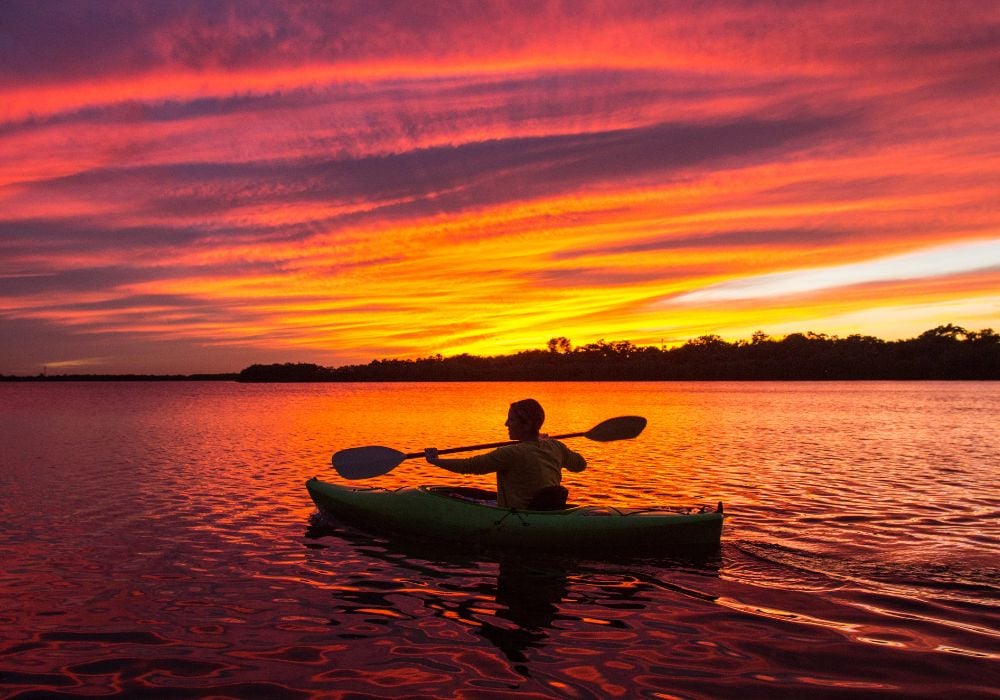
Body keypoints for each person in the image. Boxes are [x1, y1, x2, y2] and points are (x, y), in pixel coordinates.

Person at [424, 398, 586, 510]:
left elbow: (469, 466)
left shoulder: (510, 453)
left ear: (527, 424)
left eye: (512, 420)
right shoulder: (555, 446)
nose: (506, 424)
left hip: (521, 514)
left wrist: (435, 460)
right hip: (548, 508)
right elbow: (580, 465)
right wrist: (546, 442)